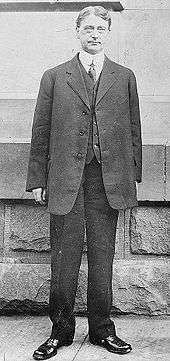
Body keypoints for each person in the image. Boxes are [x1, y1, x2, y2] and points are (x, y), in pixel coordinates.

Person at [26, 5, 142, 360]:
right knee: (63, 260)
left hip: (107, 181)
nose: (94, 34)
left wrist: (132, 176)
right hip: (64, 180)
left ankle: (102, 330)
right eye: (88, 28)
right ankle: (60, 331)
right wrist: (37, 179)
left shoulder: (124, 76)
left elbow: (134, 131)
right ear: (77, 32)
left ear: (107, 33)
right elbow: (41, 130)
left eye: (100, 29)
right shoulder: (55, 76)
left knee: (103, 258)